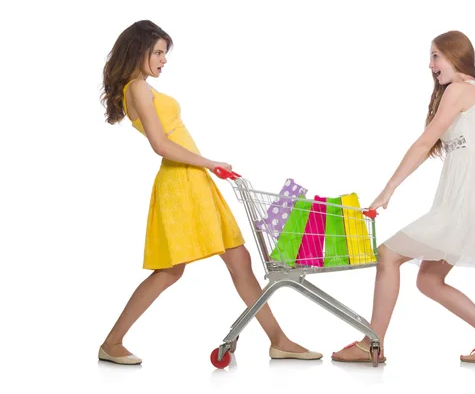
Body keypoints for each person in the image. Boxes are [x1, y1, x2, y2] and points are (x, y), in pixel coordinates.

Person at [98, 20, 322, 365]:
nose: (163, 60)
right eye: (158, 52)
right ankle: (112, 343)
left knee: (239, 259)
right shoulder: (138, 88)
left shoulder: (140, 88)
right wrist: (210, 161)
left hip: (193, 180)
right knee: (171, 270)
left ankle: (279, 340)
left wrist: (206, 167)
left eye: (164, 53)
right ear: (138, 50)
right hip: (181, 183)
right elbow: (161, 145)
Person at [332, 30, 475, 364]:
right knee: (429, 280)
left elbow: (423, 143)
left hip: (464, 200)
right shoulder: (473, 91)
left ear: (455, 55)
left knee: (388, 254)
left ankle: (371, 343)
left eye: (435, 56)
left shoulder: (460, 89)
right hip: (470, 197)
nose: (430, 65)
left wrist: (388, 189)